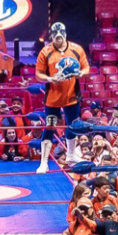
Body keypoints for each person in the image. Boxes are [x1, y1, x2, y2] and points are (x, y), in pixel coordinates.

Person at [35, 22, 91, 173]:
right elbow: (38, 74)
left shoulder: (76, 49)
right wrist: (49, 79)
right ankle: (44, 162)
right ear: (52, 37)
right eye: (55, 37)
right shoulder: (45, 52)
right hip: (52, 98)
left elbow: (86, 67)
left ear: (65, 35)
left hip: (71, 96)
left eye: (60, 37)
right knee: (50, 126)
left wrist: (81, 74)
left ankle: (71, 156)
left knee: (73, 125)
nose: (58, 40)